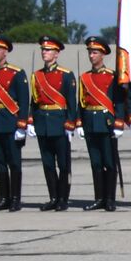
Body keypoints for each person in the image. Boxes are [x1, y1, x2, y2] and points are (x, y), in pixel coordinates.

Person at [29, 35, 78, 211]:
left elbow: (72, 102)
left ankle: (63, 198)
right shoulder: (37, 75)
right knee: (48, 163)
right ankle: (53, 197)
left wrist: (71, 122)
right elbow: (34, 102)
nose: (44, 52)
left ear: (56, 54)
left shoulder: (66, 75)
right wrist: (31, 121)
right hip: (43, 123)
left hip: (59, 122)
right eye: (43, 49)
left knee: (63, 164)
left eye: (48, 50)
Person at [77, 36, 125, 212]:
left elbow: (119, 101)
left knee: (109, 162)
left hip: (106, 123)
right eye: (90, 52)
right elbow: (81, 103)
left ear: (103, 54)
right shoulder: (84, 77)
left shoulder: (112, 76)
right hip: (90, 122)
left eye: (95, 52)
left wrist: (119, 122)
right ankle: (99, 198)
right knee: (96, 162)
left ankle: (110, 199)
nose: (91, 55)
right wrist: (79, 123)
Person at [0, 34, 29, 212]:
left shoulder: (16, 73)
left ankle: (15, 198)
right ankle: (4, 198)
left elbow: (24, 101)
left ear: (5, 52)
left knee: (14, 162)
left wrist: (22, 124)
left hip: (10, 122)